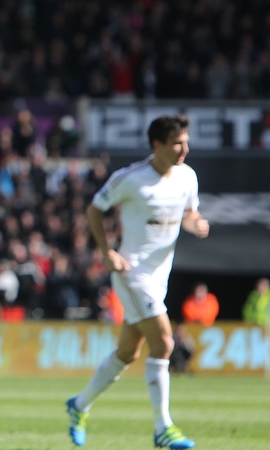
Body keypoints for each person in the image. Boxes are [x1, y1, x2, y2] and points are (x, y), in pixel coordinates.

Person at [65, 115, 209, 449]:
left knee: (128, 352)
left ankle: (79, 405)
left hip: (160, 277)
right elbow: (93, 210)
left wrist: (197, 223)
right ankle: (163, 428)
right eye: (177, 143)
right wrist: (107, 252)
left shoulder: (188, 176)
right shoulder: (129, 178)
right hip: (132, 273)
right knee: (164, 342)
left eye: (186, 142)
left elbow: (189, 214)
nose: (184, 149)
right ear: (156, 145)